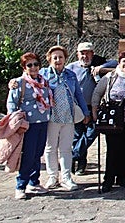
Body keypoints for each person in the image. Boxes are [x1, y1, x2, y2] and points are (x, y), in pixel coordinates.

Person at [40, 46, 90, 192]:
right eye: (55, 57)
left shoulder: (70, 75)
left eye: (61, 57)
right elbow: (28, 79)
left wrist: (85, 112)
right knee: (50, 148)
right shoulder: (43, 74)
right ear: (49, 58)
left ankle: (66, 177)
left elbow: (78, 95)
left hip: (68, 116)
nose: (58, 60)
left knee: (66, 148)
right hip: (51, 117)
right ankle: (52, 176)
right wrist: (15, 83)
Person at [92, 51, 125, 193]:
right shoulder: (110, 77)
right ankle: (108, 179)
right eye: (123, 61)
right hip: (113, 120)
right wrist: (95, 111)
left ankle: (122, 177)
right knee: (113, 151)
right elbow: (97, 93)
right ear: (119, 62)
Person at [66, 42, 118, 175]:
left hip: (94, 107)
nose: (85, 56)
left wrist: (101, 67)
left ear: (92, 54)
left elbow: (115, 63)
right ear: (77, 54)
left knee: (91, 133)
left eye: (88, 53)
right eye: (82, 53)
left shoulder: (97, 65)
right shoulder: (71, 68)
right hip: (76, 107)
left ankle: (73, 155)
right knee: (77, 136)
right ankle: (80, 164)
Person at [6, 52, 52, 199]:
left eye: (36, 64)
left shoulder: (44, 81)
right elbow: (12, 103)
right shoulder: (19, 83)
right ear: (24, 67)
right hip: (27, 124)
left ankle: (34, 182)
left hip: (43, 121)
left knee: (38, 154)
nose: (33, 68)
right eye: (29, 65)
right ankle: (21, 185)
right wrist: (15, 122)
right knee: (28, 155)